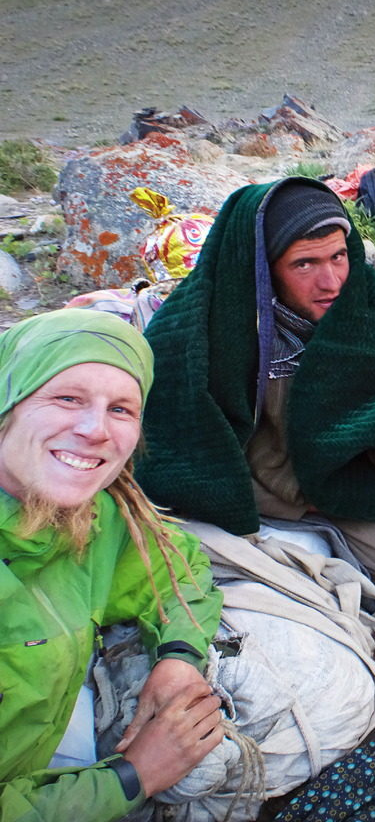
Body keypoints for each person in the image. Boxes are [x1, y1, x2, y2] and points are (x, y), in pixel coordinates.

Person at [136, 177, 375, 617]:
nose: (331, 282)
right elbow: (174, 447)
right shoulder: (203, 326)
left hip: (348, 466)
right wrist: (282, 495)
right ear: (263, 267)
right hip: (273, 488)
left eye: (338, 257)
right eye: (304, 264)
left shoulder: (362, 297)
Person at [0, 308, 224, 821]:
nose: (94, 429)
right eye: (66, 398)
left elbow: (178, 570)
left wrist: (178, 659)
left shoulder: (89, 518)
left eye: (121, 409)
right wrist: (134, 777)